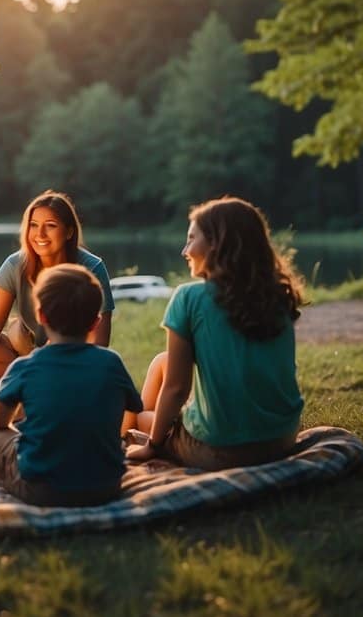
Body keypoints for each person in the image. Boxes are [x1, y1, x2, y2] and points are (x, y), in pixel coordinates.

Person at [125, 196, 305, 471]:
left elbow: (176, 388)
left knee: (140, 418)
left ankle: (141, 439)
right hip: (282, 438)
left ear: (217, 242)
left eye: (191, 238)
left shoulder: (189, 297)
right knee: (162, 361)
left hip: (221, 450)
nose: (185, 250)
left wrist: (154, 446)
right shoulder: (276, 295)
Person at [0, 264, 142, 506]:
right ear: (95, 322)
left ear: (41, 316)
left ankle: (18, 477)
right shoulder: (111, 363)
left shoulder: (24, 367)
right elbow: (134, 407)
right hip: (105, 487)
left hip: (42, 491)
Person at [0, 190, 115, 382]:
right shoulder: (15, 265)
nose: (40, 234)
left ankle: (35, 387)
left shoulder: (92, 268)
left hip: (72, 359)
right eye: (33, 225)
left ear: (69, 232)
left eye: (50, 225)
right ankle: (31, 387)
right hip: (29, 355)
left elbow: (99, 344)